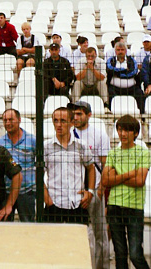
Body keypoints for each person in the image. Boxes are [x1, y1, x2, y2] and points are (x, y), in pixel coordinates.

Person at [102, 115, 150, 269]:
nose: (122, 134)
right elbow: (105, 181)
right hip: (114, 206)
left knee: (136, 254)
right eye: (120, 130)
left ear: (135, 133)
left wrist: (116, 177)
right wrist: (128, 174)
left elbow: (139, 181)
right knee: (120, 255)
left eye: (127, 130)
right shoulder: (113, 153)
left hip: (134, 207)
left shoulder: (143, 153)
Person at [68, 101, 110, 269]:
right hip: (76, 192)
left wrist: (100, 190)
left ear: (89, 115)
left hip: (95, 190)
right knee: (79, 232)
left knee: (100, 234)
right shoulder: (69, 134)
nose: (76, 117)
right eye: (74, 114)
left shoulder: (99, 135)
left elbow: (105, 165)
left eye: (80, 114)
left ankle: (102, 266)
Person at [44, 107, 95, 224]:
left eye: (63, 121)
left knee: (78, 241)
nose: (58, 125)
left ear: (72, 123)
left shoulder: (81, 146)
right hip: (54, 204)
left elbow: (91, 168)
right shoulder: (46, 147)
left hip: (77, 204)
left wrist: (90, 191)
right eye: (55, 121)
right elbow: (38, 174)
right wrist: (48, 200)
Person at [0, 109, 36, 222]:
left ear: (19, 120)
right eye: (5, 120)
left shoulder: (32, 140)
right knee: (4, 227)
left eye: (11, 120)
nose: (8, 123)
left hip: (27, 192)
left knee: (28, 226)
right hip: (7, 192)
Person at [106, 41, 145, 114]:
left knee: (139, 93)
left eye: (122, 50)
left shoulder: (132, 60)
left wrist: (117, 73)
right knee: (109, 93)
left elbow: (133, 72)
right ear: (115, 51)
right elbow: (109, 70)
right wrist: (124, 70)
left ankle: (142, 117)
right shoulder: (111, 60)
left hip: (131, 88)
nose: (120, 52)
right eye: (118, 50)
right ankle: (111, 116)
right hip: (115, 88)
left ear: (126, 51)